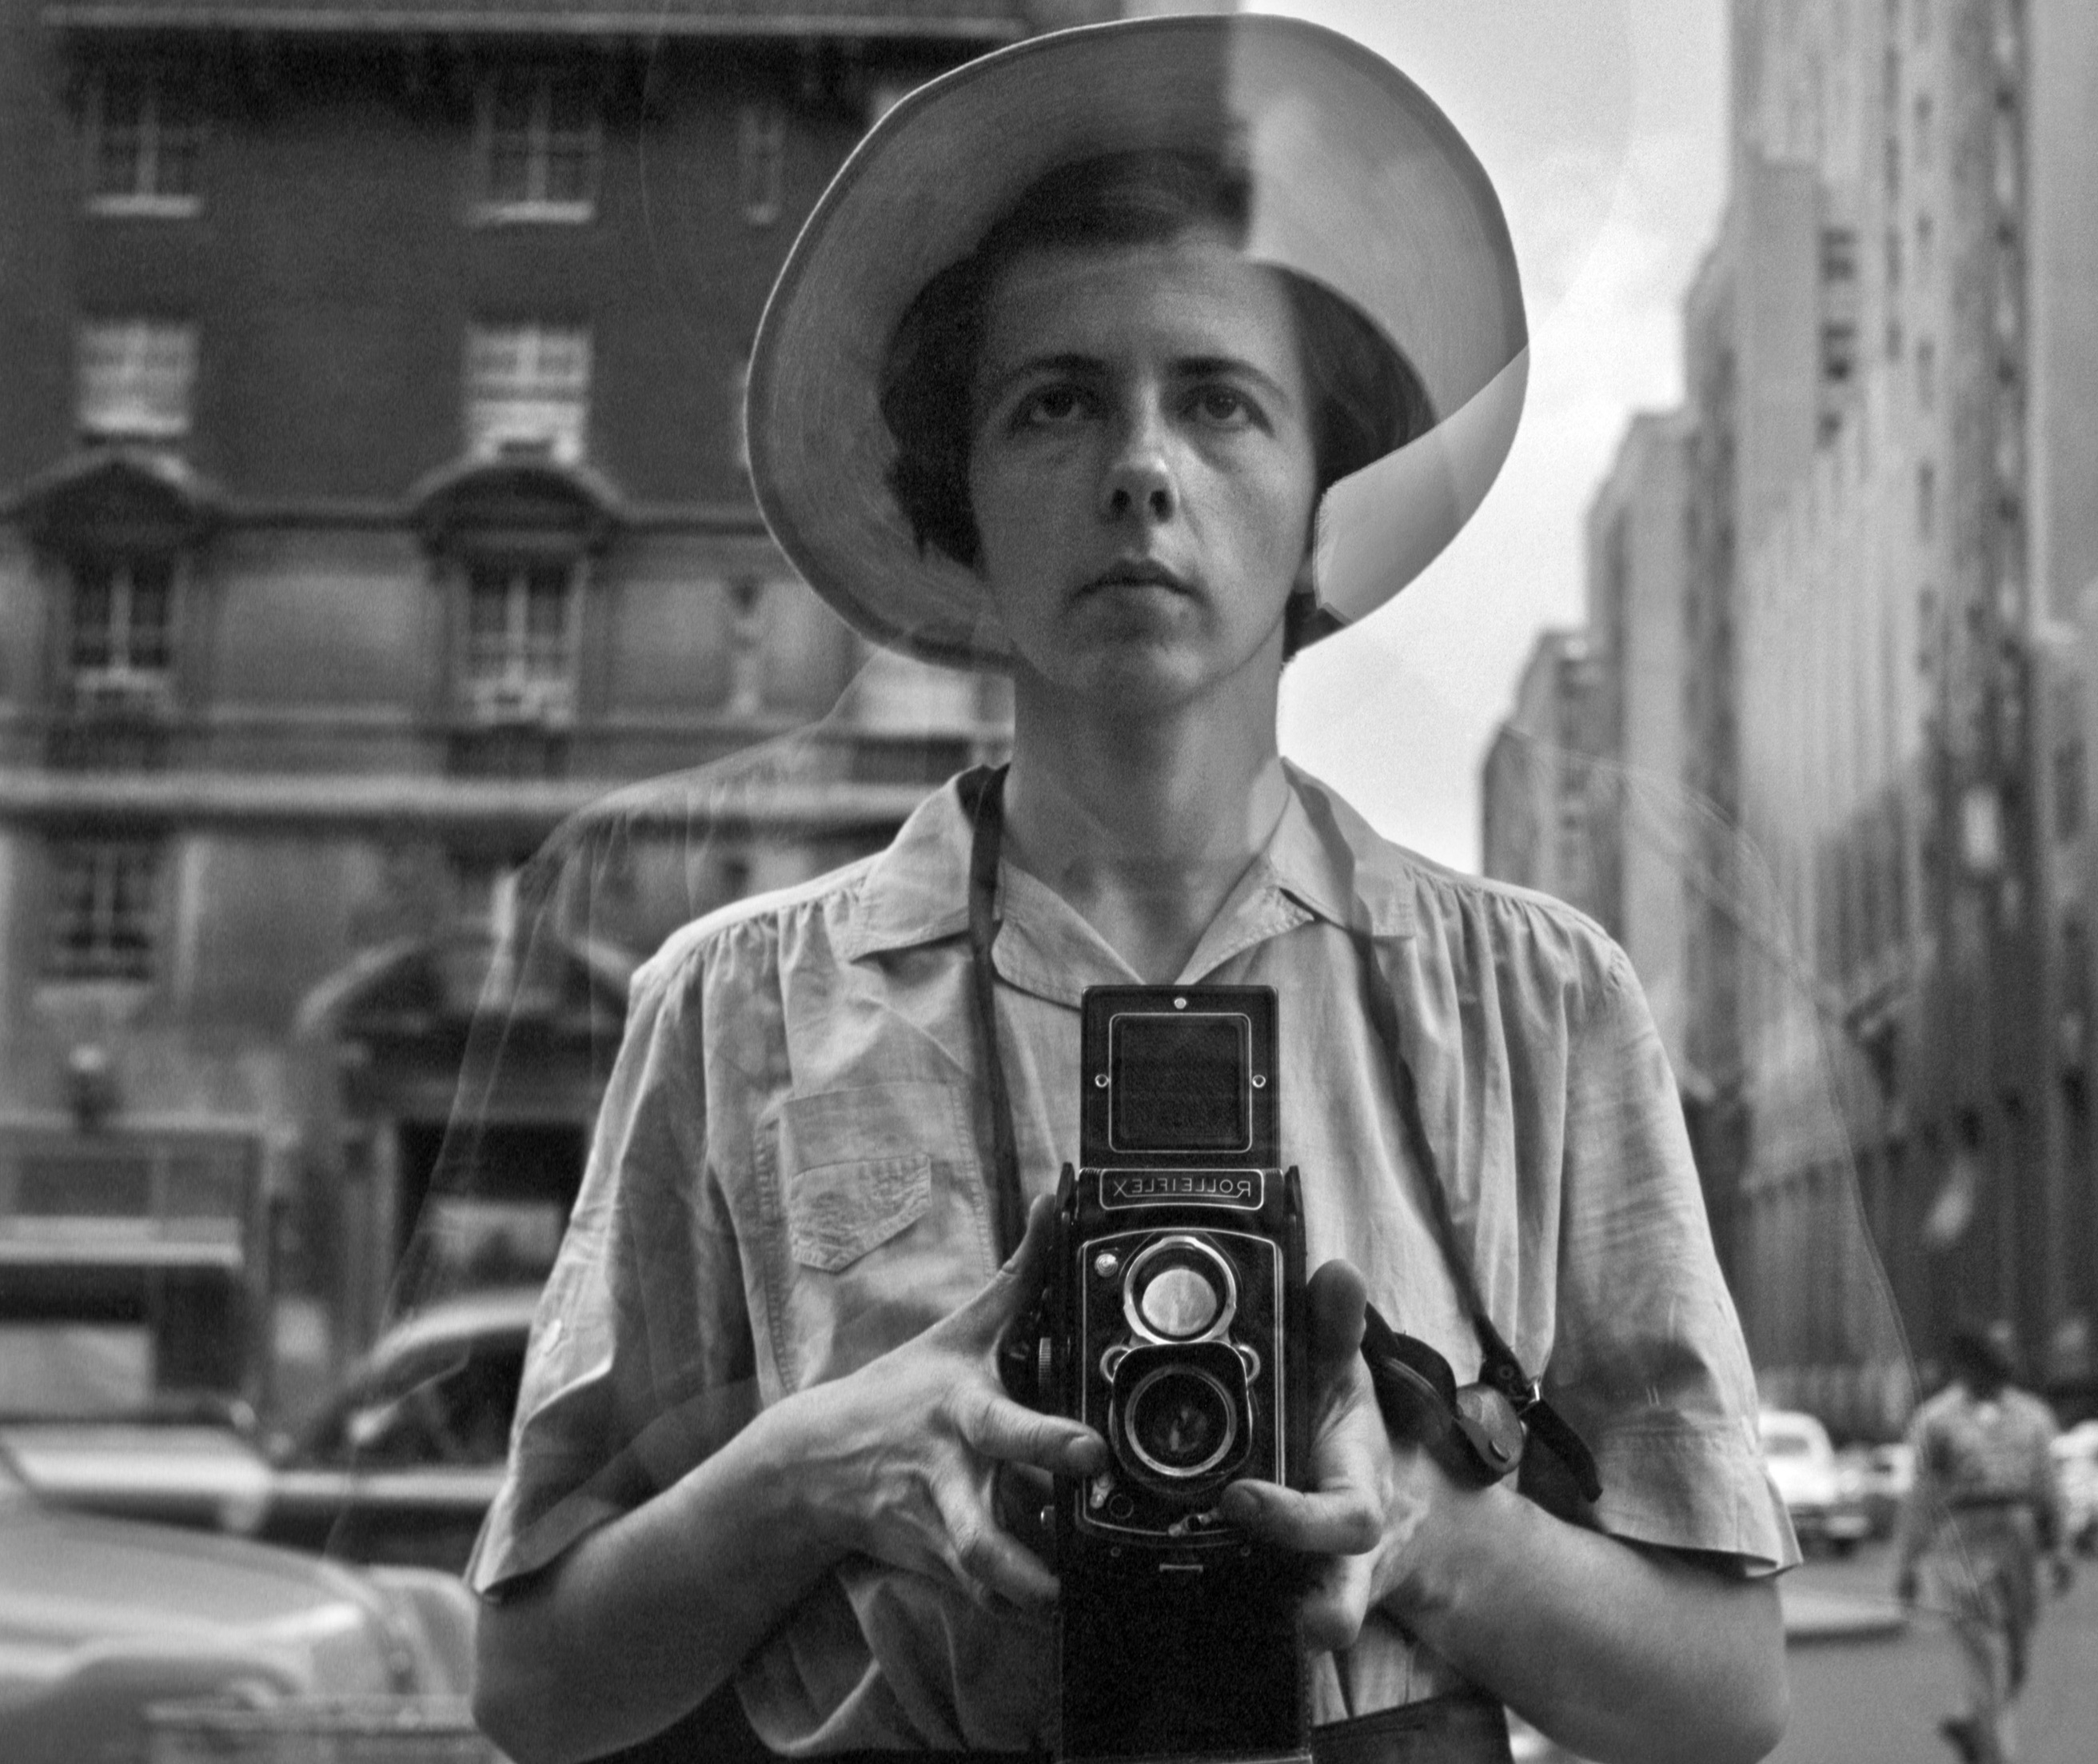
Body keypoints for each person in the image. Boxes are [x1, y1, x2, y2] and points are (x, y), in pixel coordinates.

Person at [465, 15, 1797, 1764]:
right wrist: (817, 1468)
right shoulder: (734, 1008)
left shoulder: (1537, 1000)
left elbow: (1726, 1693)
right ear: (964, 491)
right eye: (1058, 401)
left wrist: (1428, 1530)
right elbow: (535, 1687)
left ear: (1321, 486)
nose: (1140, 467)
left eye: (1220, 400)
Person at [1893, 1325, 2073, 1764]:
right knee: (1982, 1653)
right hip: (1961, 1537)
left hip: (2018, 1534)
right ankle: (1997, 1755)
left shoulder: (2032, 1417)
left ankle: (1971, 1722)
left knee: (2015, 1659)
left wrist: (2061, 1546)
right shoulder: (1936, 1422)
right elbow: (1922, 1496)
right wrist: (1907, 1562)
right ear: (1965, 1369)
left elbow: (2049, 1485)